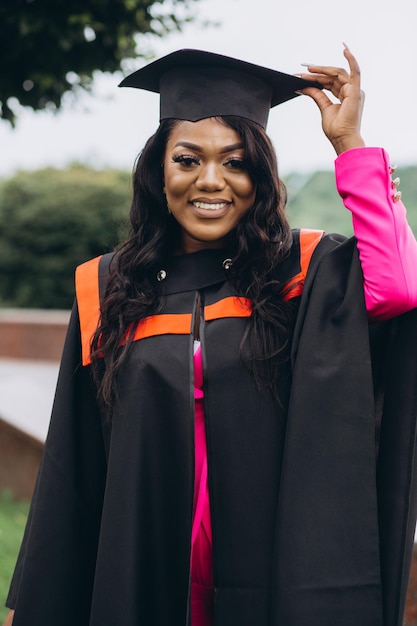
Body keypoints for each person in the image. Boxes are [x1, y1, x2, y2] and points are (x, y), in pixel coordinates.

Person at [3, 45, 417, 626]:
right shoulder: (108, 286)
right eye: (188, 159)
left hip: (270, 564)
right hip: (146, 562)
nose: (212, 181)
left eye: (236, 162)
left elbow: (399, 287)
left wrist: (350, 145)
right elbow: (73, 461)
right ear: (158, 171)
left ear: (260, 175)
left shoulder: (300, 271)